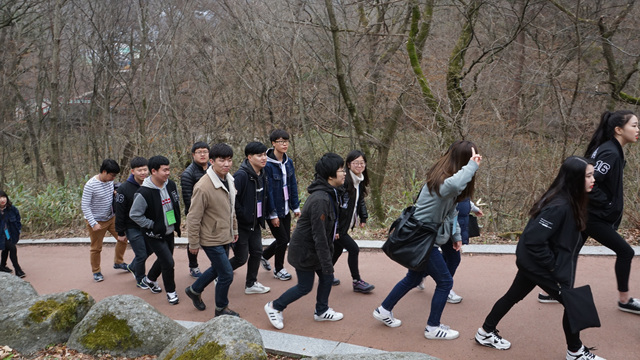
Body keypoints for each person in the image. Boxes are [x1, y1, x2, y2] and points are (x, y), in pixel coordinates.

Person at [475, 156, 607, 360]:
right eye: (588, 176)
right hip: (538, 264)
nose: (593, 179)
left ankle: (485, 332)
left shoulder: (571, 199)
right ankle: (575, 352)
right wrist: (553, 268)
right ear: (574, 179)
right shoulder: (559, 206)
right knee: (573, 303)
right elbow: (534, 241)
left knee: (513, 295)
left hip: (536, 262)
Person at [372, 140, 481, 340]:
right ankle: (433, 327)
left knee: (413, 278)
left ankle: (384, 310)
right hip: (421, 237)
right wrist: (473, 165)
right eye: (470, 162)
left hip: (425, 237)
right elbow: (457, 183)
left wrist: (456, 237)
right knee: (445, 282)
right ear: (464, 162)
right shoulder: (443, 180)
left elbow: (450, 213)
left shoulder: (446, 181)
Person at [538, 110, 640, 314]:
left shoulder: (611, 149)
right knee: (626, 252)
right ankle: (624, 300)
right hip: (593, 215)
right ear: (619, 130)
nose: (638, 130)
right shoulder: (610, 152)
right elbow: (591, 183)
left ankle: (553, 290)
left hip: (589, 212)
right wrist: (609, 205)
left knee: (572, 250)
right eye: (634, 125)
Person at [264, 153, 346, 330]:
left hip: (315, 249)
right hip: (305, 252)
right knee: (304, 286)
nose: (344, 173)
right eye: (341, 170)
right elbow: (319, 235)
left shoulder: (331, 193)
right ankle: (274, 306)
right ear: (330, 176)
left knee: (327, 277)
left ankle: (321, 310)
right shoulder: (320, 200)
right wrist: (326, 261)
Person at [184, 143, 240, 317]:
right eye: (222, 160)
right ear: (211, 161)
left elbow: (231, 208)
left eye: (229, 160)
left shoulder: (229, 179)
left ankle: (195, 290)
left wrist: (234, 229)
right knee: (226, 274)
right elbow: (193, 217)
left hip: (225, 234)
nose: (226, 164)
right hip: (210, 237)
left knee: (218, 269)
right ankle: (221, 308)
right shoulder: (203, 187)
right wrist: (193, 242)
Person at [130, 156, 181, 305]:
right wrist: (153, 225)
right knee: (168, 263)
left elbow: (174, 205)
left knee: (164, 258)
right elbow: (134, 215)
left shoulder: (170, 185)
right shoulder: (144, 192)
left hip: (169, 230)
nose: (168, 173)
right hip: (154, 234)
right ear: (154, 171)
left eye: (168, 169)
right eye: (164, 170)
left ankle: (150, 279)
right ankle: (171, 292)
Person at [229, 142, 271, 295]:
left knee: (257, 252)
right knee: (241, 258)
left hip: (256, 221)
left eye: (265, 154)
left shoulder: (262, 173)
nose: (264, 158)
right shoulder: (241, 175)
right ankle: (218, 273)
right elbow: (232, 200)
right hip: (242, 224)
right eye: (260, 155)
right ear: (249, 157)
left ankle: (251, 283)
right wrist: (244, 215)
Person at [261, 129, 301, 281]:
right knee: (283, 239)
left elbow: (292, 185)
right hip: (274, 209)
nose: (284, 144)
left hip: (285, 207)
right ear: (273, 143)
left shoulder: (288, 162)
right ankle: (279, 269)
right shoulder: (267, 165)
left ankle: (264, 256)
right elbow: (268, 191)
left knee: (285, 238)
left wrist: (295, 206)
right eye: (280, 141)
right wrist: (272, 214)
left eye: (286, 141)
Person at [332, 150, 374, 293]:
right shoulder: (344, 182)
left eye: (362, 162)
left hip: (345, 224)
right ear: (349, 165)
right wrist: (336, 229)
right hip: (340, 226)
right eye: (356, 162)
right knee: (354, 249)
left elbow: (359, 200)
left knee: (337, 250)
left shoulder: (359, 180)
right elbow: (336, 207)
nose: (359, 165)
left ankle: (325, 273)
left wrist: (363, 217)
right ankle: (357, 281)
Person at [81, 159, 128, 282]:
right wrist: (93, 223)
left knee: (123, 238)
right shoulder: (90, 185)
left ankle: (118, 262)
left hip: (111, 218)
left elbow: (110, 193)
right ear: (104, 171)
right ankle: (96, 271)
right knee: (96, 248)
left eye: (115, 176)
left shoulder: (109, 182)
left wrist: (114, 193)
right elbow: (85, 206)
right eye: (112, 175)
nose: (113, 178)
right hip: (97, 221)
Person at [115, 157, 157, 289]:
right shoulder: (124, 189)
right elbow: (119, 212)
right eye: (140, 170)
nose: (143, 173)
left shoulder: (151, 184)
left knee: (151, 249)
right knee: (141, 254)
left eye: (145, 169)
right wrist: (120, 232)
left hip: (147, 224)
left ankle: (133, 267)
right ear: (132, 171)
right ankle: (140, 279)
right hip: (132, 227)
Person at [181, 141, 210, 278]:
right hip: (196, 213)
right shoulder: (188, 174)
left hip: (213, 213)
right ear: (193, 155)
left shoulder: (212, 168)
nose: (203, 154)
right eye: (199, 152)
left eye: (205, 151)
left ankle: (219, 265)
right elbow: (188, 198)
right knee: (194, 241)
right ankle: (193, 266)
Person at [0, 190, 24, 278]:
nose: (2, 200)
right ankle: (18, 269)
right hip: (1, 235)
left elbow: (18, 219)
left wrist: (18, 229)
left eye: (4, 197)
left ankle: (2, 266)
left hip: (10, 233)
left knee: (6, 249)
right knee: (12, 248)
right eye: (0, 198)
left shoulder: (12, 209)